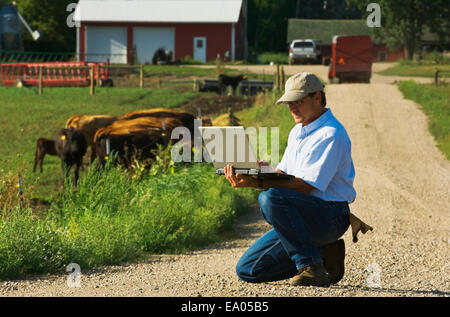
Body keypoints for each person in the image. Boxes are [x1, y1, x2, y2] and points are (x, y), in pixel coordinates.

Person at [224, 72, 356, 287]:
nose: (292, 107)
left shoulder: (331, 133)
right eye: (289, 103)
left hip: (330, 216)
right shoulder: (297, 131)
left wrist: (258, 183)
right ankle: (323, 253)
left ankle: (311, 266)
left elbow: (304, 186)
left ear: (318, 97)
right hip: (304, 214)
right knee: (248, 270)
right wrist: (260, 171)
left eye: (299, 101)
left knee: (271, 197)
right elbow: (285, 177)